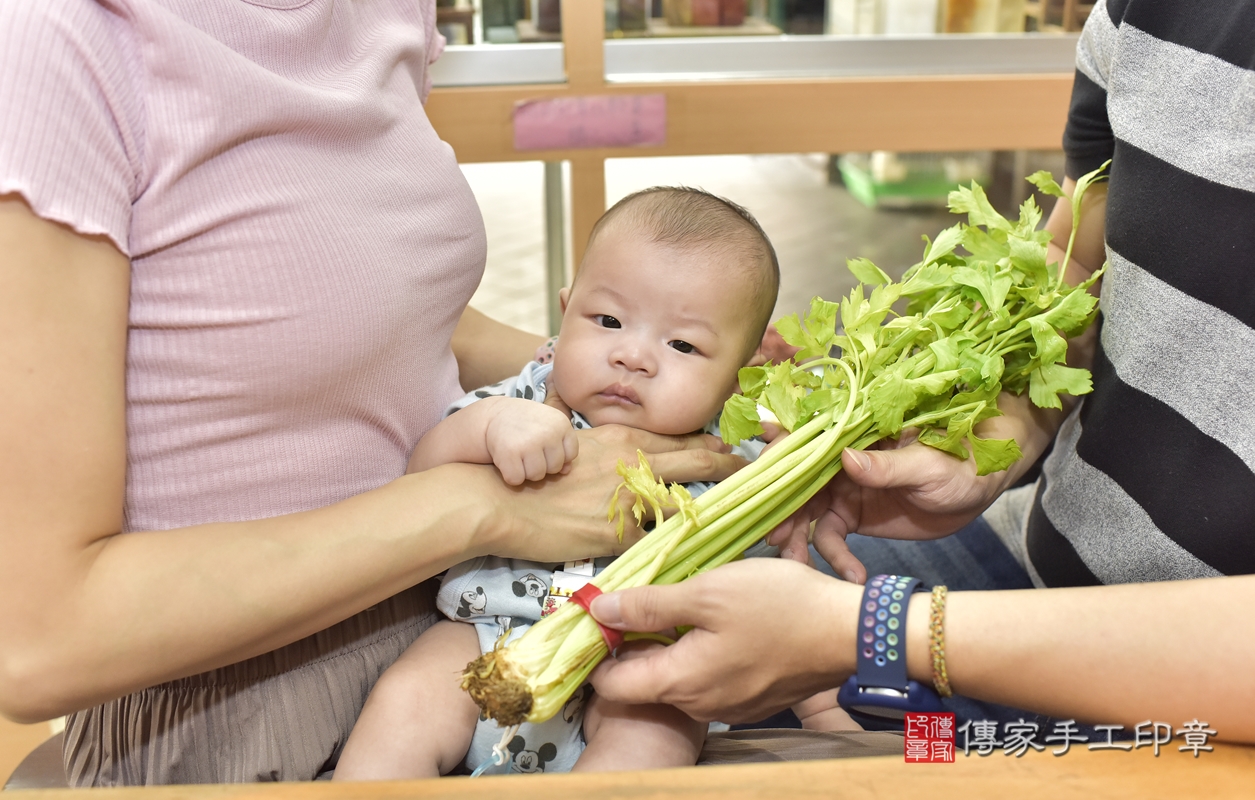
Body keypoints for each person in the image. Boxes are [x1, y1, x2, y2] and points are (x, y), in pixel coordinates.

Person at [0, 2, 748, 785]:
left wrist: (660, 399)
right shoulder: (57, 37)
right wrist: (485, 507)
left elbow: (386, 316)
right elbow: (39, 643)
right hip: (246, 704)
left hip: (453, 606)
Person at [583, 0, 1255, 745]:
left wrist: (872, 630)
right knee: (668, 653)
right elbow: (1080, 264)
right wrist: (998, 437)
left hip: (1198, 699)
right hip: (1034, 550)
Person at [332, 187, 782, 779]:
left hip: (643, 655)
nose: (632, 355)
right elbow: (425, 469)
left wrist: (827, 710)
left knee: (656, 729)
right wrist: (491, 430)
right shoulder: (526, 398)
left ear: (740, 376)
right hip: (488, 632)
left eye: (682, 344)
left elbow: (775, 592)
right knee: (407, 697)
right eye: (608, 320)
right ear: (565, 314)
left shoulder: (732, 456)